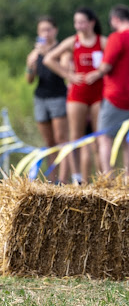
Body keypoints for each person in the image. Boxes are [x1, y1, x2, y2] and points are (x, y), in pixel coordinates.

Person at [85, 4, 129, 176]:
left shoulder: (117, 38)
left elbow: (106, 65)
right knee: (128, 139)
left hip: (116, 96)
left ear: (115, 19)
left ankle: (107, 177)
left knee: (104, 137)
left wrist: (94, 74)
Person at [44, 7, 107, 183]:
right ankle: (76, 178)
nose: (78, 26)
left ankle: (101, 179)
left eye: (82, 22)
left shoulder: (102, 42)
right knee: (75, 137)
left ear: (91, 22)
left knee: (98, 138)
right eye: (76, 22)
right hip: (78, 94)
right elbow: (49, 59)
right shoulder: (73, 41)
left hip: (98, 93)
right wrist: (68, 75)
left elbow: (114, 61)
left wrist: (100, 72)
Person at [25, 16, 69, 183]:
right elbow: (29, 80)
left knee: (61, 138)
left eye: (48, 29)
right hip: (41, 98)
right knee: (49, 142)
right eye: (42, 30)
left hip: (58, 96)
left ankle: (63, 180)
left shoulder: (61, 50)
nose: (45, 33)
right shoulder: (35, 53)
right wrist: (30, 66)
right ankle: (52, 179)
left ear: (55, 30)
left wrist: (46, 55)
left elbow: (64, 71)